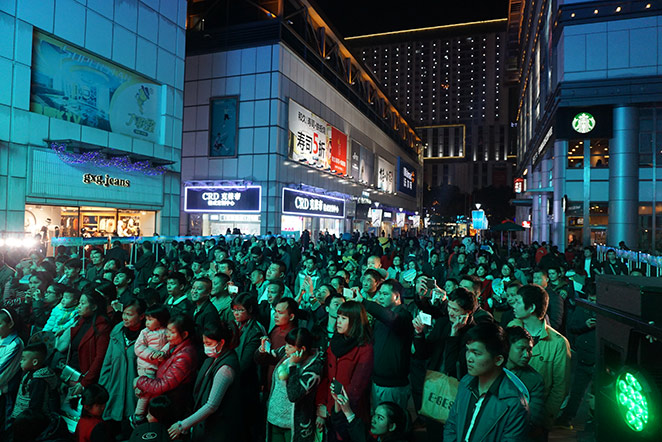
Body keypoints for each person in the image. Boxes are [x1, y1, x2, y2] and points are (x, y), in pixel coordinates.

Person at [444, 322, 529, 442]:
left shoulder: (514, 403)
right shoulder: (466, 383)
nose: (469, 358)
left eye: (476, 353)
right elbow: (452, 425)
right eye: (468, 350)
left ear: (498, 360)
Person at [509, 284, 571, 435]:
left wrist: (544, 420)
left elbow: (560, 387)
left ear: (531, 308)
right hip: (509, 412)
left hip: (536, 418)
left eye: (518, 302)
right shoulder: (511, 329)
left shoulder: (558, 343)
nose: (513, 305)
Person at [168, 322, 241, 440]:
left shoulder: (226, 369)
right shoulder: (212, 359)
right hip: (205, 424)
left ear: (221, 342)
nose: (206, 347)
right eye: (204, 343)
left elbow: (211, 405)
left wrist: (183, 425)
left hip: (218, 429)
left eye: (209, 343)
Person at [316, 301, 374, 441]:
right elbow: (326, 377)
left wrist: (335, 411)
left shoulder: (364, 349)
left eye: (344, 318)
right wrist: (322, 404)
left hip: (348, 412)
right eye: (338, 317)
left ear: (354, 321)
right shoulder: (335, 341)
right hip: (330, 408)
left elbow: (356, 389)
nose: (339, 321)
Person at [258, 327, 324, 442]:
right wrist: (263, 349)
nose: (286, 348)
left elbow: (294, 395)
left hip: (293, 424)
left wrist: (293, 366)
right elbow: (262, 360)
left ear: (302, 349)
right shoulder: (286, 353)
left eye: (290, 346)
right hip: (274, 417)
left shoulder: (313, 369)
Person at [358, 279, 413, 412]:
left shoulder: (403, 316)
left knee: (391, 420)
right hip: (377, 381)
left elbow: (392, 319)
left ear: (397, 296)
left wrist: (364, 302)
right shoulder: (381, 317)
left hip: (393, 385)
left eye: (385, 294)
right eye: (380, 294)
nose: (381, 297)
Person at [134, 315, 197, 422]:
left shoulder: (185, 356)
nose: (167, 335)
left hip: (172, 405)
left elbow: (163, 385)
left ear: (184, 334)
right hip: (163, 400)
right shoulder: (173, 346)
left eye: (172, 332)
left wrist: (140, 382)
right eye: (167, 331)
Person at [99, 300, 146, 436]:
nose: (125, 317)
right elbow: (107, 362)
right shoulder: (117, 331)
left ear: (141, 316)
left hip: (135, 395)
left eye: (129, 315)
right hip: (114, 390)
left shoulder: (148, 337)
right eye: (124, 313)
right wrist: (103, 389)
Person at [232, 292, 266, 442]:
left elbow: (244, 364)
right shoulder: (237, 325)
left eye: (240, 310)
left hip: (248, 383)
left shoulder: (255, 331)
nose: (236, 313)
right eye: (234, 309)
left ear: (250, 309)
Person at [66, 289, 112, 394]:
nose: (79, 306)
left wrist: (85, 382)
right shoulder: (80, 322)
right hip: (71, 372)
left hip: (84, 378)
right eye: (79, 303)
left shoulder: (102, 327)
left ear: (94, 307)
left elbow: (99, 358)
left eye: (83, 303)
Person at [505, 326, 545, 441]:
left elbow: (532, 419)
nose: (526, 355)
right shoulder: (491, 370)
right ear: (506, 347)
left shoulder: (534, 380)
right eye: (521, 349)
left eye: (529, 350)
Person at [133, 304, 170, 423]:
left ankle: (150, 415)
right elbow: (138, 348)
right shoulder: (145, 332)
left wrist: (163, 352)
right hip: (146, 366)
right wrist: (152, 354)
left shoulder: (167, 331)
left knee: (155, 392)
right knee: (146, 391)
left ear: (160, 320)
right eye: (146, 320)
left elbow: (171, 343)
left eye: (150, 320)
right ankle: (138, 415)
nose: (147, 323)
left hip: (159, 368)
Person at [10, 343, 59, 421]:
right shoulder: (29, 372)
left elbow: (35, 405)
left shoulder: (38, 380)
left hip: (28, 419)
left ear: (34, 362)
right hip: (21, 415)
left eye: (24, 359)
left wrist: (26, 417)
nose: (21, 362)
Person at [331, 395, 410, 442]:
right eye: (374, 414)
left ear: (391, 426)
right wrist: (338, 406)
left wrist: (348, 413)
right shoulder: (377, 436)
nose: (373, 420)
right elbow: (349, 435)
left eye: (380, 418)